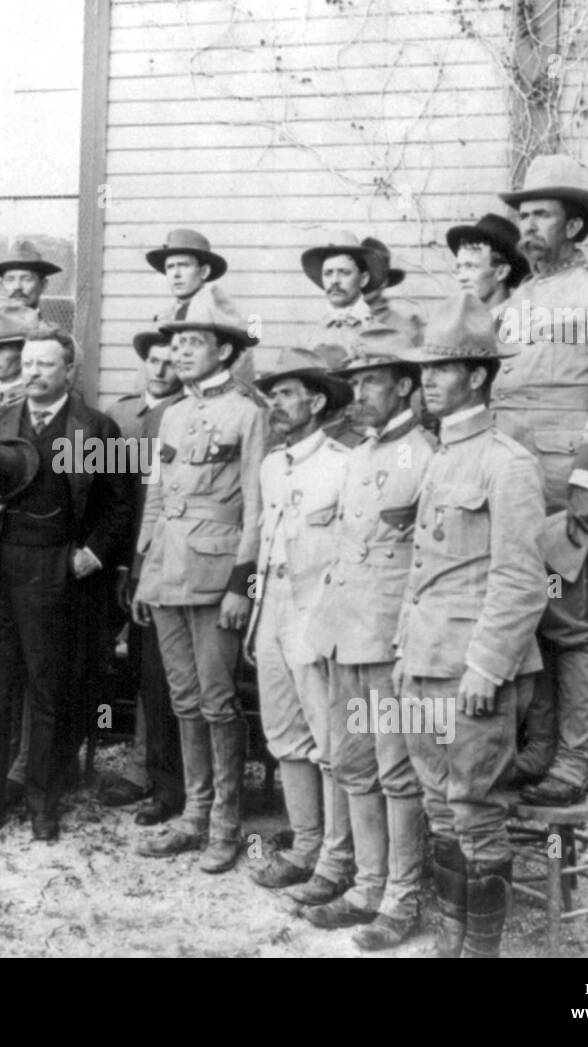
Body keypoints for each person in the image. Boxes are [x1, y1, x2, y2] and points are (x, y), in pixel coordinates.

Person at [393, 292, 548, 958]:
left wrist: (488, 667)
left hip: (470, 673)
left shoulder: (506, 462)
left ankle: (479, 949)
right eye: (425, 368)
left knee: (476, 810)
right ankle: (450, 939)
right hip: (423, 661)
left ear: (479, 375)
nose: (429, 379)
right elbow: (426, 566)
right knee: (437, 806)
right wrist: (403, 653)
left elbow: (521, 580)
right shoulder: (438, 454)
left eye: (444, 367)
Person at [495, 154, 588, 807]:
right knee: (526, 617)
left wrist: (587, 481)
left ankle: (573, 759)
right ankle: (537, 746)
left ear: (573, 223)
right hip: (509, 484)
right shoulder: (516, 300)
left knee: (568, 621)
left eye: (542, 213)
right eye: (523, 213)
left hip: (561, 488)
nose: (528, 224)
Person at [0, 325, 133, 843]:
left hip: (58, 573)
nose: (32, 372)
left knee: (50, 691)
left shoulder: (94, 431)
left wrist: (93, 555)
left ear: (69, 371)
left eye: (45, 365)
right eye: (28, 363)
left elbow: (121, 504)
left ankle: (42, 804)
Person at [299, 327, 436, 950]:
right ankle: (365, 886)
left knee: (397, 773)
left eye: (372, 382)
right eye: (354, 383)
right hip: (343, 633)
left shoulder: (429, 456)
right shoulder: (357, 455)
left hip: (390, 642)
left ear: (405, 385)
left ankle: (402, 901)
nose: (360, 394)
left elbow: (430, 563)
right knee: (352, 765)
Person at [133, 311, 267, 873]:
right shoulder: (172, 414)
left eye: (194, 343)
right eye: (177, 343)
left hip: (218, 575)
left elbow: (259, 509)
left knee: (217, 701)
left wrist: (244, 584)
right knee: (182, 698)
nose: (182, 352)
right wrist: (143, 568)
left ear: (225, 352)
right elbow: (157, 494)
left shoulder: (248, 414)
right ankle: (193, 814)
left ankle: (226, 824)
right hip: (167, 569)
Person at [243, 347, 352, 893]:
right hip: (274, 615)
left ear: (317, 400)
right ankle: (305, 843)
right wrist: (258, 617)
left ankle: (338, 855)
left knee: (330, 743)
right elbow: (265, 545)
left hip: (318, 617)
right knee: (283, 736)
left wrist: (331, 626)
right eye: (272, 396)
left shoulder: (344, 464)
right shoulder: (270, 465)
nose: (275, 405)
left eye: (286, 394)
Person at [99, 331, 184, 822]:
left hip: (155, 558)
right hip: (110, 554)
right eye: (153, 360)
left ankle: (145, 769)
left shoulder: (181, 417)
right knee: (112, 664)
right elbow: (107, 492)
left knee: (155, 671)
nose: (161, 370)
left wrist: (138, 562)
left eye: (171, 362)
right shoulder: (120, 415)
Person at [0, 241, 73, 424]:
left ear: (43, 285)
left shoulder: (60, 341)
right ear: (1, 284)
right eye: (10, 279)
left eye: (27, 279)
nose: (17, 287)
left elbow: (70, 392)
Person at [147, 228, 257, 387]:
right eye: (170, 267)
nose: (176, 274)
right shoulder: (167, 315)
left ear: (204, 272)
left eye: (184, 265)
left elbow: (239, 375)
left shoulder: (219, 313)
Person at [446, 214, 530, 314]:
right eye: (459, 268)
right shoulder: (466, 323)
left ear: (502, 272)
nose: (461, 278)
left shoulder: (520, 323)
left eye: (471, 267)